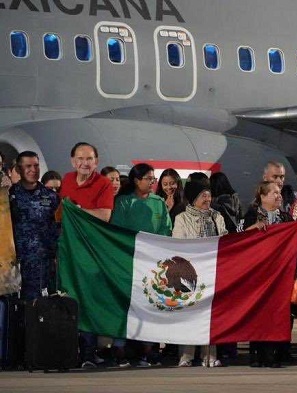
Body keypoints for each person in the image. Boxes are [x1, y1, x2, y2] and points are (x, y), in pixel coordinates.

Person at [110, 163, 172, 367]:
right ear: (137, 181)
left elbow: (165, 230)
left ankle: (147, 349)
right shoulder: (124, 203)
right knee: (125, 304)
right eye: (149, 178)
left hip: (152, 264)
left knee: (150, 304)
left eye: (153, 179)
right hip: (128, 261)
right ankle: (119, 348)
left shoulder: (159, 203)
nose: (153, 182)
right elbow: (118, 232)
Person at [59, 142, 114, 369]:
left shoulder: (104, 184)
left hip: (92, 253)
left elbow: (104, 216)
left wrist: (77, 211)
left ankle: (89, 353)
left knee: (89, 300)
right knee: (67, 298)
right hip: (68, 250)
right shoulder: (67, 180)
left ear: (96, 161)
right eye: (80, 159)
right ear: (73, 161)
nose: (85, 163)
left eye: (89, 159)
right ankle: (66, 350)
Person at [172, 179, 227, 367]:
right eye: (203, 195)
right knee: (190, 314)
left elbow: (225, 239)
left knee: (211, 314)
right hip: (190, 273)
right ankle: (186, 355)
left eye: (209, 194)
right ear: (193, 197)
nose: (207, 198)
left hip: (212, 272)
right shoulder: (182, 218)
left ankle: (209, 354)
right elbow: (178, 244)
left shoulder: (217, 217)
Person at [243, 181, 293, 367]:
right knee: (258, 312)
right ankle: (256, 352)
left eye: (279, 192)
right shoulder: (251, 215)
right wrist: (255, 227)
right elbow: (239, 237)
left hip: (280, 273)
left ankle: (275, 354)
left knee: (277, 314)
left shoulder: (286, 218)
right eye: (274, 193)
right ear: (262, 197)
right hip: (258, 272)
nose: (279, 195)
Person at [8, 151, 60, 300]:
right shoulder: (8, 196)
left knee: (40, 310)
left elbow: (59, 228)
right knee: (14, 309)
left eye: (36, 166)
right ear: (19, 169)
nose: (33, 170)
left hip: (43, 265)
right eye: (28, 166)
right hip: (15, 265)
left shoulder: (51, 196)